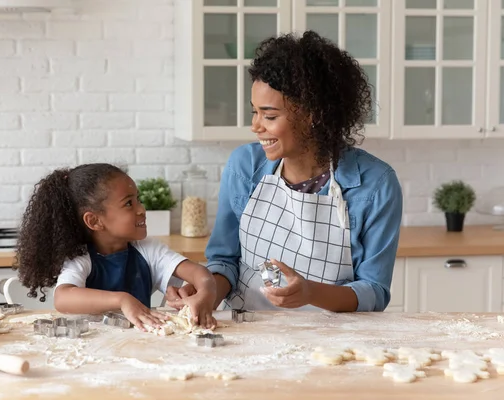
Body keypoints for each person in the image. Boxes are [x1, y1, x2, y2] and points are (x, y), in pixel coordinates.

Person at [167, 31, 403, 313]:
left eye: (269, 116)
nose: (256, 126)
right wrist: (206, 293)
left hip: (330, 341)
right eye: (254, 112)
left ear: (313, 115)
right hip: (249, 332)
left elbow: (374, 292)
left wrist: (309, 292)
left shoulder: (375, 185)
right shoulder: (245, 166)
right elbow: (225, 262)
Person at [13, 163, 217, 331]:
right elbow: (63, 298)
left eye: (139, 200)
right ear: (94, 221)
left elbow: (200, 274)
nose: (141, 210)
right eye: (129, 204)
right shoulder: (82, 257)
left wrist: (205, 294)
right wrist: (122, 300)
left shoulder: (148, 249)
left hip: (139, 348)